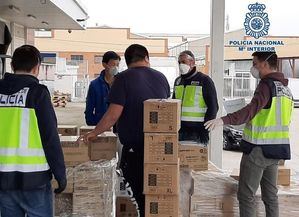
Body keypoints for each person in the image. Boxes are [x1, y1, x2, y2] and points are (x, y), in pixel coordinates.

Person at [79, 44, 170, 216]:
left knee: (140, 195)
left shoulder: (123, 79)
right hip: (161, 150)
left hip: (135, 149)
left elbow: (113, 114)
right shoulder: (161, 77)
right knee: (156, 195)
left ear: (127, 62)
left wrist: (93, 133)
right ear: (146, 58)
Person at [205, 51, 294, 217]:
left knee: (246, 195)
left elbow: (251, 110)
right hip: (276, 151)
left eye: (254, 63)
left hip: (258, 150)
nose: (253, 68)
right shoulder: (285, 89)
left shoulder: (266, 85)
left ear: (264, 64)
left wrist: (224, 120)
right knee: (270, 196)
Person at [0, 45, 66, 217]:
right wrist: (60, 173)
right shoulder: (37, 93)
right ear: (37, 68)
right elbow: (49, 136)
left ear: (12, 66)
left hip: (3, 178)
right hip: (34, 179)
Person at [173, 50, 218, 144]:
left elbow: (213, 107)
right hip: (179, 131)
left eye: (183, 62)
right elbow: (173, 105)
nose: (181, 64)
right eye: (179, 62)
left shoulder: (204, 80)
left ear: (192, 62)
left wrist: (205, 130)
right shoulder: (178, 81)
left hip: (197, 132)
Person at [85, 51, 121, 126]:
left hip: (119, 126)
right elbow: (89, 109)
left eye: (117, 65)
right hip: (100, 125)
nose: (116, 67)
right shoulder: (95, 85)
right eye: (113, 64)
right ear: (104, 64)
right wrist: (94, 126)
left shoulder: (122, 82)